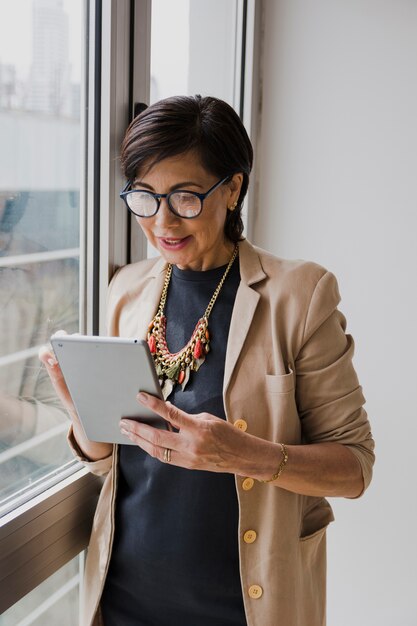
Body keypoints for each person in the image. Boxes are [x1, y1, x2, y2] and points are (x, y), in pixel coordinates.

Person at [40, 95, 375, 626]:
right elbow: (110, 457)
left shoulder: (300, 295)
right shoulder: (126, 290)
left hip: (244, 608)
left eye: (187, 197)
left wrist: (246, 455)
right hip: (125, 599)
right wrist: (80, 410)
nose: (163, 221)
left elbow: (354, 468)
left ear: (233, 188)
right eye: (145, 197)